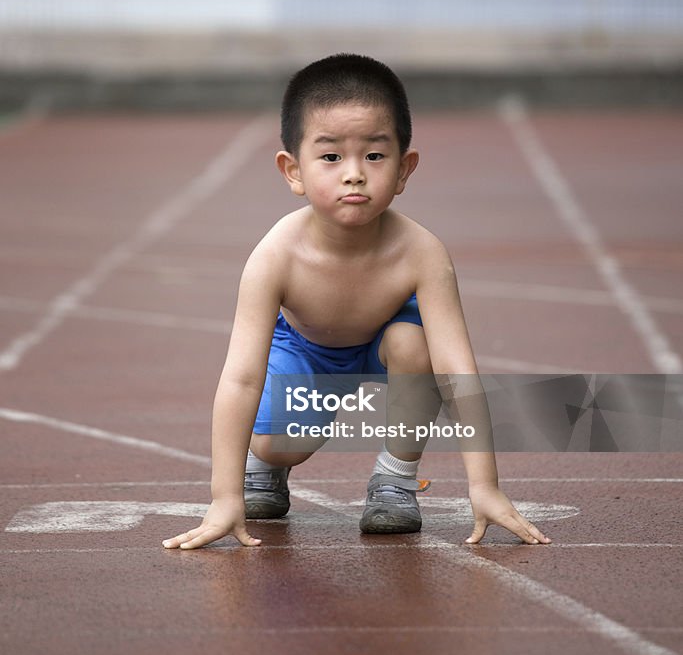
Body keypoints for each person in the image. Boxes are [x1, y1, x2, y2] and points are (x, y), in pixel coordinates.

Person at [162, 54, 551, 551]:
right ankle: (264, 468)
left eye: (374, 156)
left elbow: (457, 370)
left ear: (405, 168)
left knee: (416, 345)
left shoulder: (422, 252)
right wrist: (223, 496)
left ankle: (395, 479)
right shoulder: (275, 256)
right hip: (308, 350)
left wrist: (485, 485)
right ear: (292, 170)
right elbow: (241, 376)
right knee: (279, 447)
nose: (354, 175)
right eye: (330, 157)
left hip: (385, 342)